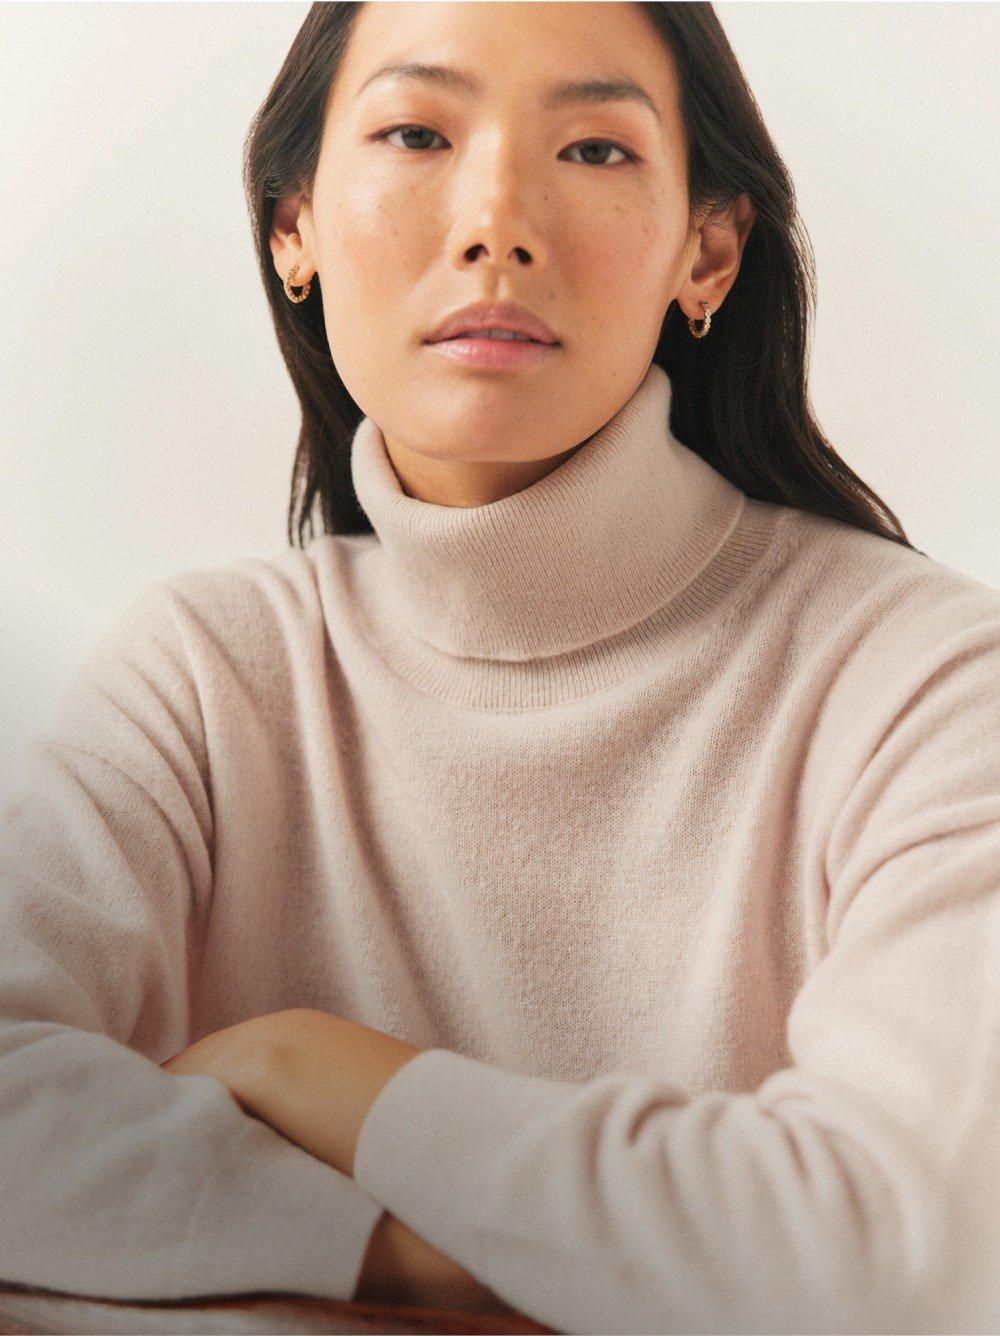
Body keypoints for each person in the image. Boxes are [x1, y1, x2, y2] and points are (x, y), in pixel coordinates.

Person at [2, 3, 999, 1332]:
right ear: (291, 226)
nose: (495, 224)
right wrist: (412, 1254)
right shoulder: (206, 673)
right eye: (418, 131)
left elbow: (889, 1257)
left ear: (709, 251)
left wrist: (326, 1073)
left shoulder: (927, 682)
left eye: (593, 150)